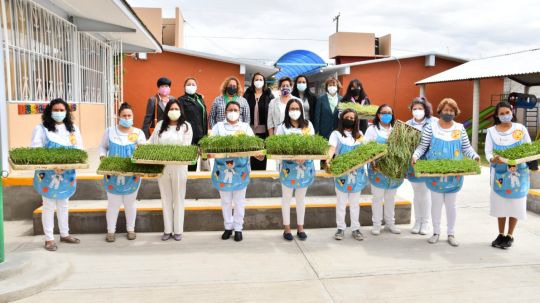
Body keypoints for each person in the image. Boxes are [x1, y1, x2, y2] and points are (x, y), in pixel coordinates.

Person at [412, 98, 480, 247]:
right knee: (436, 204)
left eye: (451, 110)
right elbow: (423, 146)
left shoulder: (459, 128)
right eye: (446, 110)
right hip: (435, 173)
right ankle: (436, 232)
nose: (448, 113)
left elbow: (466, 148)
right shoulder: (431, 127)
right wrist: (416, 155)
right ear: (440, 111)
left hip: (453, 174)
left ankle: (451, 233)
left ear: (455, 112)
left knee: (451, 204)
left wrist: (475, 156)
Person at [31, 98, 83, 251]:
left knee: (64, 204)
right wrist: (53, 166)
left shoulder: (73, 128)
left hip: (67, 173)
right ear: (49, 111)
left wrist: (65, 166)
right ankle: (49, 239)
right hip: (47, 174)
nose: (59, 113)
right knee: (48, 205)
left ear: (66, 112)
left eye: (62, 110)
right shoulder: (41, 128)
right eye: (56, 110)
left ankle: (65, 234)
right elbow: (36, 149)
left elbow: (79, 149)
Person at [210, 101, 263, 242]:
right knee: (226, 201)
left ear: (240, 112)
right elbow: (209, 144)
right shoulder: (218, 127)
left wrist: (259, 154)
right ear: (225, 112)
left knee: (239, 202)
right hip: (222, 169)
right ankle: (228, 227)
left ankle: (238, 228)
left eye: (235, 110)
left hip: (241, 170)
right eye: (230, 109)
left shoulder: (245, 127)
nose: (232, 112)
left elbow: (254, 146)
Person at [485, 101, 531, 249]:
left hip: (518, 172)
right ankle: (500, 234)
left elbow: (528, 148)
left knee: (515, 205)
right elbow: (488, 152)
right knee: (501, 205)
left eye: (507, 112)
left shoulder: (521, 129)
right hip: (499, 173)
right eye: (502, 114)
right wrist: (493, 159)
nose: (505, 116)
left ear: (512, 112)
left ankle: (510, 235)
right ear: (497, 116)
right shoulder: (491, 131)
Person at [99, 103, 147, 242]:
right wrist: (103, 157)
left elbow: (143, 151)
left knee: (130, 203)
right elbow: (102, 147)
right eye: (124, 115)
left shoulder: (138, 133)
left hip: (133, 175)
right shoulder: (109, 131)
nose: (127, 118)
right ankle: (110, 231)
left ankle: (130, 229)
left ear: (133, 117)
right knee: (113, 204)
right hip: (112, 174)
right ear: (119, 117)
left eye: (129, 115)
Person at [149, 99, 193, 241]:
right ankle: (167, 230)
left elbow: (186, 147)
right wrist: (140, 144)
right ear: (167, 111)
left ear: (180, 111)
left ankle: (178, 230)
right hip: (163, 167)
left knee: (179, 198)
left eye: (176, 109)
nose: (174, 111)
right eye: (171, 109)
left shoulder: (186, 126)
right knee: (165, 197)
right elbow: (152, 142)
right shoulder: (160, 125)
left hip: (179, 167)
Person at [275, 99, 316, 241]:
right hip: (288, 168)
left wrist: (305, 156)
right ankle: (286, 228)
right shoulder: (282, 127)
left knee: (301, 199)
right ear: (287, 111)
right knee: (286, 199)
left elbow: (313, 144)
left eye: (297, 108)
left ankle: (300, 227)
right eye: (291, 108)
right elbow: (278, 148)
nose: (294, 111)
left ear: (301, 110)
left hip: (305, 167)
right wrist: (292, 157)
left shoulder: (308, 125)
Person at [327, 109, 368, 241]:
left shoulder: (359, 134)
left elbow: (366, 150)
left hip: (357, 174)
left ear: (356, 120)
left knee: (355, 203)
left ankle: (355, 228)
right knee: (341, 202)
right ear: (342, 118)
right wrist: (327, 160)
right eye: (347, 117)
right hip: (342, 174)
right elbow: (332, 149)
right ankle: (340, 228)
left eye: (352, 118)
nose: (349, 119)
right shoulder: (336, 134)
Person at [364, 104, 404, 236]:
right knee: (377, 198)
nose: (386, 115)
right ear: (378, 115)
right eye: (383, 112)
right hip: (378, 170)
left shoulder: (397, 130)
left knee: (391, 198)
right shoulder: (372, 130)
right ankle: (376, 224)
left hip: (393, 171)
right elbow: (366, 147)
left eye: (389, 113)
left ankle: (390, 223)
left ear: (392, 115)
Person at [406, 97, 437, 235]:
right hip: (413, 162)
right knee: (417, 193)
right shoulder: (407, 124)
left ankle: (426, 222)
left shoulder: (434, 122)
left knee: (425, 194)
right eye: (415, 109)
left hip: (428, 162)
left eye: (420, 108)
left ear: (426, 109)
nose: (417, 111)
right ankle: (417, 221)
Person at [178, 77, 209, 172]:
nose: (191, 86)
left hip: (202, 136)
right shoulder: (181, 100)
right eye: (188, 84)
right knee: (192, 162)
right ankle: (189, 182)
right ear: (184, 87)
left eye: (193, 84)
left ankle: (201, 179)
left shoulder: (199, 99)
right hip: (190, 136)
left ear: (196, 87)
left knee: (205, 160)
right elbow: (180, 119)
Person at [244, 72, 273, 170]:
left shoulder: (269, 95)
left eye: (261, 80)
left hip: (263, 132)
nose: (258, 81)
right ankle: (250, 179)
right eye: (256, 79)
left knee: (261, 157)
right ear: (253, 82)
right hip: (250, 131)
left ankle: (260, 178)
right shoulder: (247, 95)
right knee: (251, 156)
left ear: (264, 82)